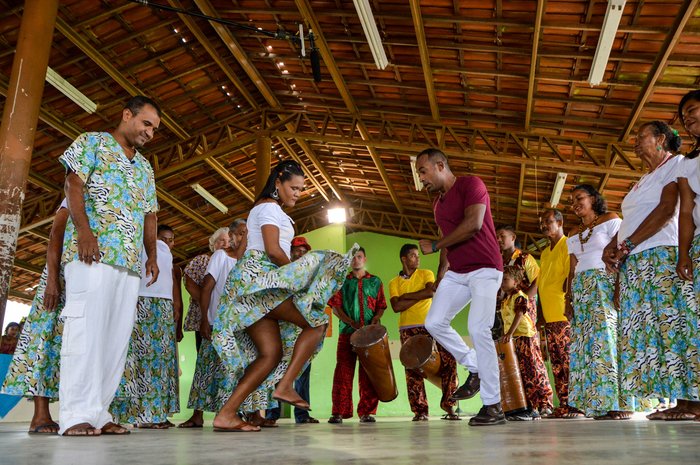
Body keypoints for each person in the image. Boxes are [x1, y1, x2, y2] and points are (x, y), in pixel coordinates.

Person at [211, 160, 356, 432]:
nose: (297, 194)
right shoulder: (267, 207)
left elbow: (257, 252)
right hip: (260, 282)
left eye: (301, 190)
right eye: (294, 187)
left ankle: (227, 414)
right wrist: (297, 277)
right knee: (317, 322)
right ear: (278, 181)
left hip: (256, 284)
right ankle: (286, 385)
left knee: (271, 353)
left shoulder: (269, 209)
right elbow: (273, 250)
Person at [57, 96, 160, 436]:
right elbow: (73, 184)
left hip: (129, 263)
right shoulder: (92, 142)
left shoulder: (145, 167)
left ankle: (99, 413)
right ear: (126, 115)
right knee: (85, 332)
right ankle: (74, 416)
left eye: (155, 129)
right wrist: (85, 231)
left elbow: (150, 214)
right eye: (146, 123)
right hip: (93, 254)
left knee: (115, 340)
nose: (150, 132)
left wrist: (152, 255)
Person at [604, 122, 692, 421]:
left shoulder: (676, 165)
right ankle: (678, 400)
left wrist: (626, 244)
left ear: (661, 139)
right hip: (636, 261)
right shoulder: (642, 179)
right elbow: (631, 218)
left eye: (641, 137)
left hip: (659, 256)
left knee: (673, 326)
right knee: (652, 332)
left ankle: (691, 401)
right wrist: (613, 247)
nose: (635, 143)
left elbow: (667, 210)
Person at [414, 148, 505, 426]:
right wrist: (442, 272)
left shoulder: (471, 184)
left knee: (479, 328)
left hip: (486, 268)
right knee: (434, 321)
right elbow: (447, 237)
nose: (421, 179)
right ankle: (475, 366)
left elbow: (474, 224)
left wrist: (435, 246)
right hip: (458, 272)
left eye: (423, 171)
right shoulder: (438, 205)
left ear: (440, 165)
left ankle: (493, 406)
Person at [567, 184, 645, 419]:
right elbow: (572, 269)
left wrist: (620, 287)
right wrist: (568, 298)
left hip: (605, 283)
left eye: (579, 198)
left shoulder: (611, 219)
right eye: (572, 201)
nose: (575, 204)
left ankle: (621, 403)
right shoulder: (572, 232)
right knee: (587, 348)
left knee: (610, 340)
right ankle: (599, 402)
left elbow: (622, 254)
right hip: (582, 289)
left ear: (593, 198)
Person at [1, 201, 69, 433]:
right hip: (59, 278)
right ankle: (41, 415)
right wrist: (52, 282)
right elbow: (55, 238)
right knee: (46, 343)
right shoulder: (72, 198)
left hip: (86, 279)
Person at [110, 225, 183, 428]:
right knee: (140, 360)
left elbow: (171, 284)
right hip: (141, 303)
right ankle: (140, 416)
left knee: (161, 362)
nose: (167, 243)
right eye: (162, 238)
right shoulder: (139, 246)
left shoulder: (168, 257)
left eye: (171, 239)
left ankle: (157, 413)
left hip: (164, 307)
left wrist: (175, 305)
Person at [179, 220, 247, 429]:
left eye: (247, 233)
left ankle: (233, 413)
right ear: (233, 234)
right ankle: (197, 415)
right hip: (218, 321)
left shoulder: (249, 260)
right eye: (240, 233)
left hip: (241, 324)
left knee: (236, 369)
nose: (243, 237)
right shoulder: (220, 256)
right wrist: (205, 319)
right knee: (205, 368)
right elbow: (207, 287)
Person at [390, 243, 459, 421]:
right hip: (406, 328)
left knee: (448, 360)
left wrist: (406, 297)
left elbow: (430, 292)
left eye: (418, 255)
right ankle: (420, 411)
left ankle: (449, 405)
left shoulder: (426, 273)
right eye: (413, 255)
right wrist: (414, 296)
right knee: (413, 369)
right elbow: (396, 307)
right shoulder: (394, 282)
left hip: (430, 326)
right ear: (403, 259)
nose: (418, 258)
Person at [328, 247, 387, 424]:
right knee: (343, 373)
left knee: (368, 373)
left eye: (359, 257)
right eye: (353, 257)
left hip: (369, 337)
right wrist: (350, 323)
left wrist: (376, 318)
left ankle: (366, 412)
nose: (356, 260)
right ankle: (338, 412)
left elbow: (381, 305)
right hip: (347, 334)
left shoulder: (375, 281)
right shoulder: (341, 282)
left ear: (365, 259)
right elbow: (335, 308)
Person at [265, 236, 319, 425]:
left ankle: (302, 415)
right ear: (290, 251)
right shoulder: (281, 271)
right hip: (282, 328)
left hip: (303, 330)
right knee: (276, 370)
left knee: (303, 370)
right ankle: (272, 415)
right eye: (297, 250)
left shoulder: (311, 276)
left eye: (304, 252)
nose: (301, 254)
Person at [537, 209, 582, 418]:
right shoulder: (545, 252)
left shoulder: (567, 244)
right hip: (549, 316)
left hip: (564, 314)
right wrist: (541, 315)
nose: (544, 225)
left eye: (548, 221)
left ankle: (577, 405)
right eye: (542, 222)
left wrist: (569, 302)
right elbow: (541, 285)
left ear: (560, 222)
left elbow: (571, 276)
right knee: (556, 365)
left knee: (569, 362)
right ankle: (564, 404)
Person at [674, 89, 700, 421]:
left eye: (692, 110)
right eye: (684, 116)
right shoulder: (688, 164)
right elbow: (686, 211)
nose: (688, 118)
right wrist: (684, 253)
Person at [498, 266, 553, 420]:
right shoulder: (506, 299)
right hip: (515, 338)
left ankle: (540, 405)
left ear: (516, 282)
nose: (502, 282)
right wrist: (506, 333)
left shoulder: (520, 296)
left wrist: (509, 333)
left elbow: (519, 314)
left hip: (525, 336)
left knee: (532, 369)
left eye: (505, 279)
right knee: (521, 371)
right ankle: (527, 406)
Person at [183, 227, 230, 352]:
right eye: (222, 240)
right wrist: (209, 304)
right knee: (205, 353)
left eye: (229, 241)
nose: (226, 244)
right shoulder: (203, 260)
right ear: (213, 243)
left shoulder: (231, 262)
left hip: (224, 316)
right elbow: (190, 285)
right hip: (204, 316)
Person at [496, 224, 540, 326]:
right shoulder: (497, 262)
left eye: (502, 236)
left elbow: (538, 282)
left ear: (513, 237)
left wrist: (521, 301)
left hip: (522, 313)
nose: (498, 239)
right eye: (496, 237)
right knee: (503, 341)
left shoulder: (525, 258)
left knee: (523, 340)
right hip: (502, 312)